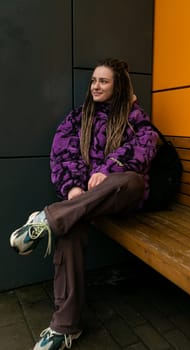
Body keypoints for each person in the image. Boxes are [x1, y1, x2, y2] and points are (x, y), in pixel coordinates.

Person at [10, 58, 158, 350]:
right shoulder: (78, 118)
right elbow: (62, 153)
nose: (95, 86)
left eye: (103, 81)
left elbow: (147, 144)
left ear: (119, 86)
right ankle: (65, 327)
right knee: (70, 228)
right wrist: (74, 187)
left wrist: (110, 168)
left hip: (120, 196)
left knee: (132, 180)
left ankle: (48, 220)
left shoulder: (134, 116)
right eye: (93, 80)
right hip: (84, 201)